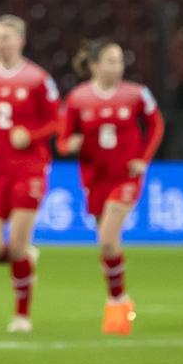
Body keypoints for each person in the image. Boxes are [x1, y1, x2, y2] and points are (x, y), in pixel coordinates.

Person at [58, 38, 164, 336]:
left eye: (119, 61)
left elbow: (156, 125)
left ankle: (115, 302)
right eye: (110, 61)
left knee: (106, 239)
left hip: (126, 177)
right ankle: (121, 297)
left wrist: (143, 160)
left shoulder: (136, 95)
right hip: (95, 180)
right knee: (109, 245)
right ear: (94, 65)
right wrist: (70, 145)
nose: (117, 67)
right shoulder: (78, 98)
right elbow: (63, 139)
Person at [0, 15, 61, 333]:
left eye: (5, 38)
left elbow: (57, 121)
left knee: (17, 246)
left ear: (21, 40)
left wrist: (31, 135)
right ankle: (26, 261)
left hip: (28, 169)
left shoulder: (38, 79)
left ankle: (22, 315)